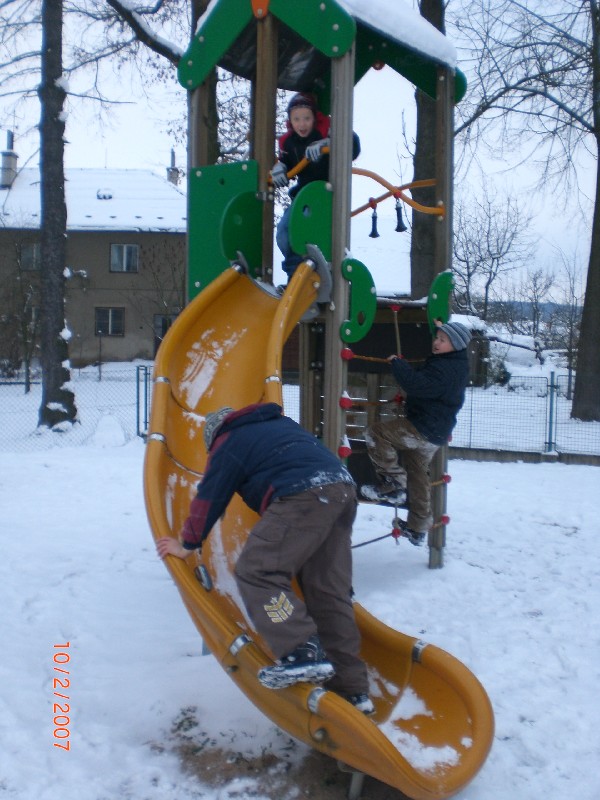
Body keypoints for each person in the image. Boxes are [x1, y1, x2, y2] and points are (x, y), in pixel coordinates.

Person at [156, 402, 374, 715]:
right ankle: (352, 689)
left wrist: (187, 543)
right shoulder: (280, 427)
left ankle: (301, 647)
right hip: (341, 489)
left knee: (257, 571)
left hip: (303, 494)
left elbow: (211, 493)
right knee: (328, 591)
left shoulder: (229, 440)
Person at [360, 321, 472, 545]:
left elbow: (417, 385)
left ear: (456, 345)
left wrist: (399, 365)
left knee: (377, 433)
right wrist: (440, 324)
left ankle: (392, 482)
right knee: (418, 475)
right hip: (436, 433)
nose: (436, 342)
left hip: (423, 428)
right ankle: (418, 526)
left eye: (443, 340)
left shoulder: (446, 369)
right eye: (436, 337)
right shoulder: (454, 363)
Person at [271, 92, 361, 281]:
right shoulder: (289, 142)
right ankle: (294, 274)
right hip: (303, 197)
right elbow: (285, 161)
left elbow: (353, 146)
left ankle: (316, 272)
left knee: (308, 232)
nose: (301, 124)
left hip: (325, 195)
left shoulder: (326, 131)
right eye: (296, 119)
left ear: (315, 118)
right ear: (290, 120)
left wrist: (328, 143)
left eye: (306, 118)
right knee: (283, 233)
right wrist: (279, 168)